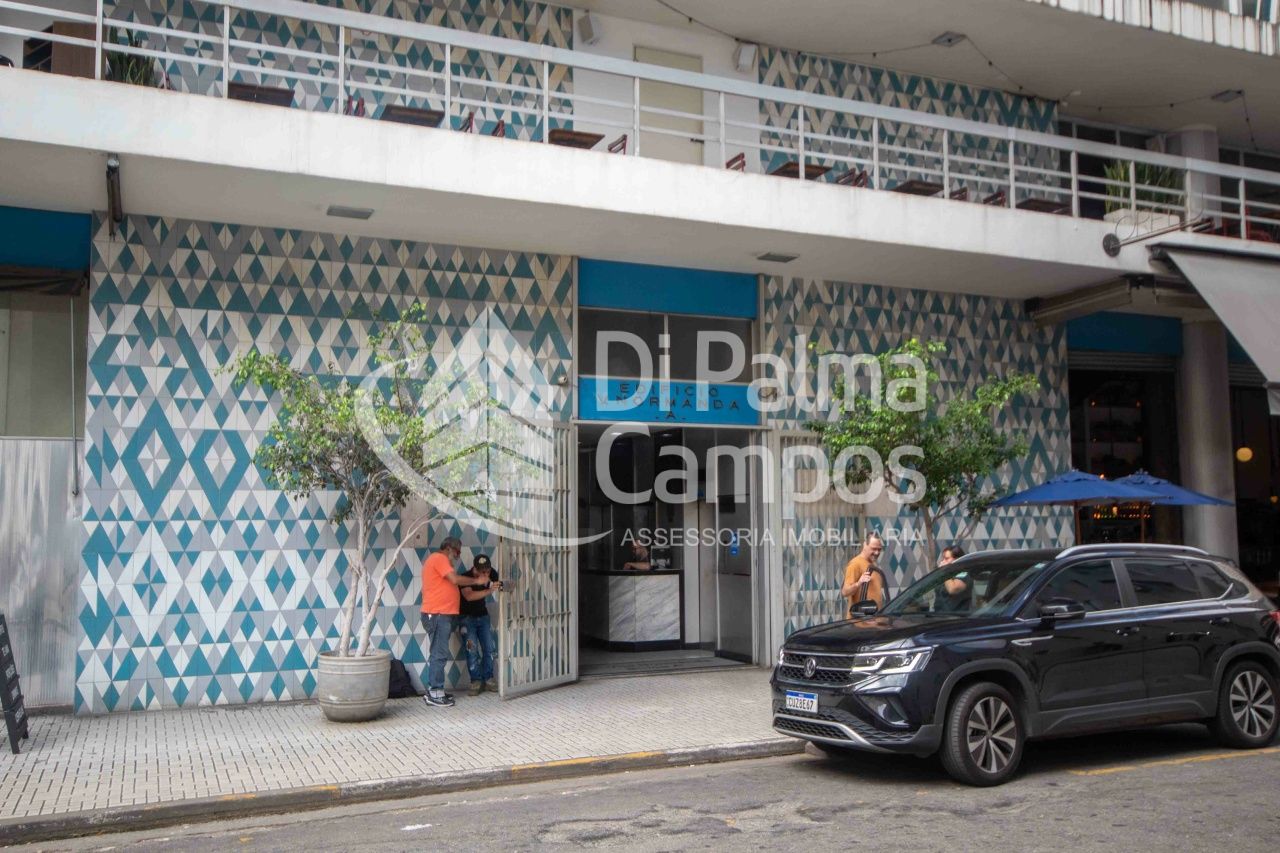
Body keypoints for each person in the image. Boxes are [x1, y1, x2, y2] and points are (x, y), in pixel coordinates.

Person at [420, 537, 488, 707]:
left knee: (438, 652)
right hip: (438, 614)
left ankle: (435, 690)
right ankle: (435, 692)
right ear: (449, 548)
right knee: (439, 653)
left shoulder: (438, 560)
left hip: (440, 614)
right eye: (457, 552)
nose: (458, 556)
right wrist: (477, 581)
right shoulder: (439, 558)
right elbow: (455, 580)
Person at [459, 554, 502, 696]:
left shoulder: (491, 573)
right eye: (482, 571)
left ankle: (489, 678)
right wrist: (489, 590)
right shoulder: (465, 577)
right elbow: (469, 596)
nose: (486, 574)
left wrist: (500, 584)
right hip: (467, 619)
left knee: (489, 648)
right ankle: (475, 681)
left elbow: (500, 583)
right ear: (475, 569)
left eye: (487, 571)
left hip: (483, 617)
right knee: (471, 650)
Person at [841, 533, 888, 616]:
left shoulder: (873, 565)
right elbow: (845, 592)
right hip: (859, 621)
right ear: (865, 545)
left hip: (873, 620)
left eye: (879, 549)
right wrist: (858, 583)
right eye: (873, 549)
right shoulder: (855, 564)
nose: (877, 552)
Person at [934, 545, 971, 613]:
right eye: (943, 559)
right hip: (938, 615)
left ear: (957, 560)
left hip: (956, 616)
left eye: (947, 558)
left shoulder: (963, 574)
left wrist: (944, 571)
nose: (943, 561)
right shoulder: (948, 575)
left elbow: (952, 589)